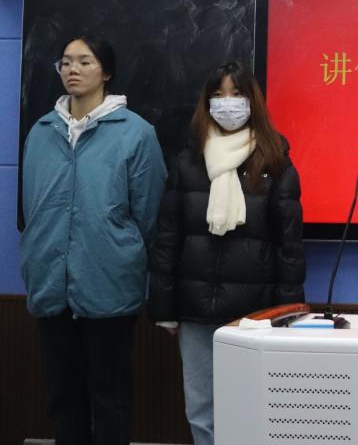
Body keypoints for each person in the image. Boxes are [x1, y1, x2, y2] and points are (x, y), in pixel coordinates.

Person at [19, 35, 166, 445]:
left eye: (85, 61)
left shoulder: (135, 133)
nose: (73, 69)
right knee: (62, 397)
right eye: (66, 62)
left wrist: (125, 259)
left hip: (110, 285)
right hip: (52, 285)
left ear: (106, 71)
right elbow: (32, 207)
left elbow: (149, 215)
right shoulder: (41, 131)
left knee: (110, 396)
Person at [149, 61, 305, 445]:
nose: (227, 102)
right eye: (218, 94)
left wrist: (288, 311)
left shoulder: (275, 162)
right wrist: (164, 307)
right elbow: (168, 236)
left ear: (253, 101)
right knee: (201, 408)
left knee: (250, 406)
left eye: (237, 94)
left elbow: (289, 246)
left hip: (255, 313)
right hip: (194, 308)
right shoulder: (189, 160)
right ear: (206, 103)